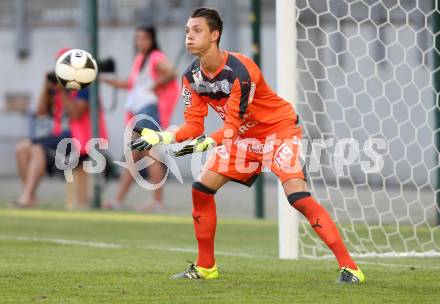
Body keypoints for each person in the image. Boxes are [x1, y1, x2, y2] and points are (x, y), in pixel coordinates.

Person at [129, 8, 365, 284]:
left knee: (296, 196)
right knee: (201, 190)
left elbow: (228, 128)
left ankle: (350, 268)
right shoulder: (191, 76)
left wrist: (202, 145)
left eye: (197, 31)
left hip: (278, 132)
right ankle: (206, 267)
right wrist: (163, 138)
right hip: (242, 138)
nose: (189, 37)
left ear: (215, 35)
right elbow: (194, 125)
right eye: (187, 31)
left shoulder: (240, 71)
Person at [101, 25, 179, 212]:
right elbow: (132, 84)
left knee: (149, 154)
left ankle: (156, 201)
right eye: (137, 38)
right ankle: (121, 199)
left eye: (143, 38)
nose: (140, 42)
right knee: (134, 156)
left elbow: (171, 73)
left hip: (149, 110)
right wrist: (108, 81)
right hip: (141, 110)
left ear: (152, 40)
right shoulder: (140, 59)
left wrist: (154, 86)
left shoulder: (156, 57)